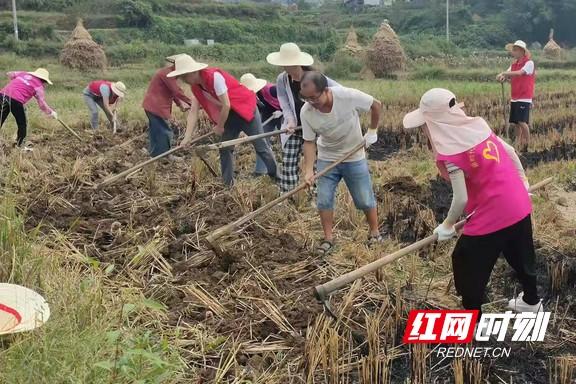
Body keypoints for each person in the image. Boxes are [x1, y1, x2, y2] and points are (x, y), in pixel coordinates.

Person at [403, 88, 543, 315]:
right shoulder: (479, 128)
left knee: (466, 262)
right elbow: (510, 151)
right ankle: (532, 301)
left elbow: (461, 198)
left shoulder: (451, 150)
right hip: (518, 203)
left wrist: (447, 225)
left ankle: (472, 316)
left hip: (492, 214)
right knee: (522, 256)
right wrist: (523, 182)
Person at [300, 71, 381, 255]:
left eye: (314, 98)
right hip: (327, 157)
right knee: (324, 199)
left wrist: (372, 131)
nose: (311, 103)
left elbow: (376, 105)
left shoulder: (346, 95)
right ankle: (329, 239)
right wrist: (308, 170)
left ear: (326, 90)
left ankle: (375, 233)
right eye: (307, 99)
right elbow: (309, 142)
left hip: (354, 156)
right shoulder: (306, 112)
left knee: (364, 197)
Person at [167, 54, 277, 187]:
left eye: (185, 76)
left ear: (194, 71)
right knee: (225, 148)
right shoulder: (196, 87)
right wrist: (187, 137)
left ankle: (275, 176)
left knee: (261, 147)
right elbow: (193, 111)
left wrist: (219, 126)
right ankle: (227, 184)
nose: (184, 80)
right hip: (229, 115)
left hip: (246, 109)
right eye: (182, 77)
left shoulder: (214, 77)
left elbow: (226, 104)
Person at [266, 43, 340, 193]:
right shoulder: (282, 79)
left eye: (290, 65)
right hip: (295, 128)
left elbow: (339, 91)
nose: (287, 68)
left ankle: (317, 194)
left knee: (315, 163)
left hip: (315, 127)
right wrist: (290, 121)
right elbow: (284, 102)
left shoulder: (316, 78)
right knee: (288, 160)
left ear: (298, 63)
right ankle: (288, 195)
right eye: (285, 65)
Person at [143, 54, 193, 157]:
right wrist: (192, 103)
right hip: (156, 107)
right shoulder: (167, 74)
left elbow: (172, 92)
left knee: (156, 131)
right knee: (165, 131)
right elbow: (177, 91)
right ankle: (166, 155)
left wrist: (180, 104)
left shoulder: (169, 74)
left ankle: (154, 154)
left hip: (151, 106)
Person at [0, 68, 57, 147]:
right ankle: (20, 145)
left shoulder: (23, 74)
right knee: (22, 123)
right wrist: (51, 112)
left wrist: (17, 82)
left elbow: (9, 74)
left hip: (3, 95)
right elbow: (42, 104)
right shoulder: (39, 86)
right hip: (16, 101)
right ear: (43, 80)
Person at [240, 73, 283, 176]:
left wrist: (281, 111)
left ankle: (287, 168)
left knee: (285, 140)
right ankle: (261, 171)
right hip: (268, 114)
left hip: (283, 114)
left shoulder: (272, 89)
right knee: (262, 141)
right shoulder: (252, 96)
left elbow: (288, 101)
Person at [497, 40, 535, 152]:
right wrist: (502, 78)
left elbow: (520, 73)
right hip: (515, 96)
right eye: (513, 50)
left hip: (524, 97)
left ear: (522, 51)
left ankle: (527, 144)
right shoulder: (513, 65)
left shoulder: (529, 63)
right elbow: (509, 76)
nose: (513, 52)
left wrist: (504, 73)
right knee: (516, 122)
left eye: (516, 50)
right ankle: (518, 144)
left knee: (522, 121)